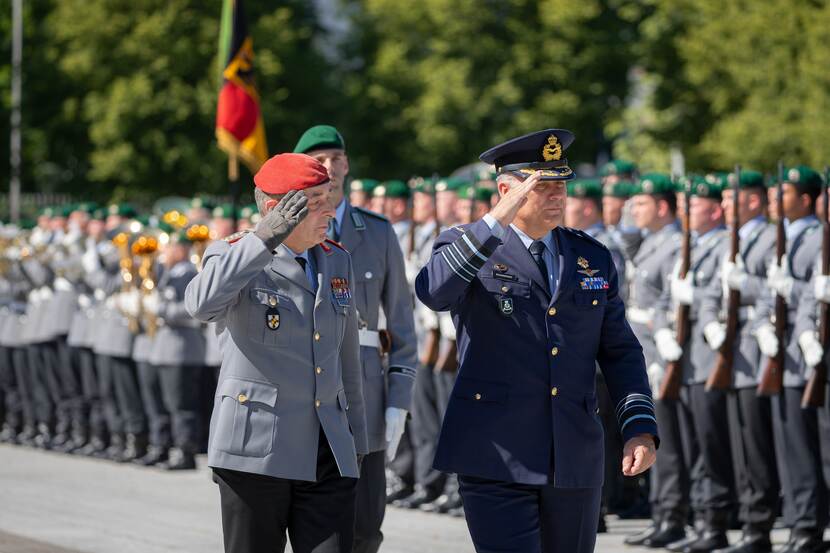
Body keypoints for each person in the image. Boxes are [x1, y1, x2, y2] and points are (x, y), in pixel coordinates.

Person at [416, 129, 658, 553]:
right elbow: (434, 292)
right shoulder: (468, 245)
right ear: (506, 189)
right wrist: (494, 221)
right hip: (496, 453)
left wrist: (639, 426)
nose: (557, 196)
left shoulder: (591, 256)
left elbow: (620, 351)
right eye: (541, 186)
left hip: (573, 455)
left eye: (561, 185)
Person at [185, 152, 369, 553]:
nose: (330, 209)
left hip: (328, 449)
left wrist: (358, 445)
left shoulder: (337, 259)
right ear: (275, 209)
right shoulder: (233, 254)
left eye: (330, 197)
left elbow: (347, 360)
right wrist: (263, 237)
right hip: (256, 451)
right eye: (316, 201)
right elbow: (200, 304)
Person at [294, 125, 417, 553]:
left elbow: (402, 324)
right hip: (305, 393)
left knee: (365, 528)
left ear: (346, 164)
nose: (328, 168)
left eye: (334, 158)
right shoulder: (288, 232)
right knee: (313, 527)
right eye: (318, 161)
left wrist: (399, 398)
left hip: (364, 392)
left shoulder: (379, 232)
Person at [653, 174, 737, 552]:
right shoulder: (691, 245)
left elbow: (722, 295)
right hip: (684, 362)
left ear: (714, 210)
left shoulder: (721, 244)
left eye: (694, 205)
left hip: (708, 359)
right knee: (691, 444)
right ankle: (702, 520)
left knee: (709, 445)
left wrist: (695, 295)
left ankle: (714, 522)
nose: (685, 211)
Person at [699, 170, 780, 553]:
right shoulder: (735, 240)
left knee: (757, 444)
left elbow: (774, 290)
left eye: (731, 199)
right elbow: (714, 291)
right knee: (738, 443)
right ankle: (747, 522)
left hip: (757, 351)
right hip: (731, 352)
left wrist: (747, 286)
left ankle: (759, 525)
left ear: (751, 200)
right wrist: (711, 324)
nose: (724, 206)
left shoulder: (768, 236)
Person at [754, 166, 827, 553]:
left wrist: (795, 291)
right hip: (790, 358)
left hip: (814, 356)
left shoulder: (818, 237)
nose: (774, 200)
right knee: (795, 449)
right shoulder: (788, 237)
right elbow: (775, 293)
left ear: (806, 199)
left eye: (784, 193)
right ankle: (803, 526)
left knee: (823, 450)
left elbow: (811, 295)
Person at [621, 173, 688, 548]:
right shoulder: (650, 241)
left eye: (642, 204)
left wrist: (663, 348)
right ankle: (662, 513)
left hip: (663, 355)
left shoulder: (675, 243)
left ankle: (673, 516)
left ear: (662, 207)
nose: (633, 210)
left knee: (670, 442)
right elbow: (625, 237)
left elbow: (668, 303)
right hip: (646, 352)